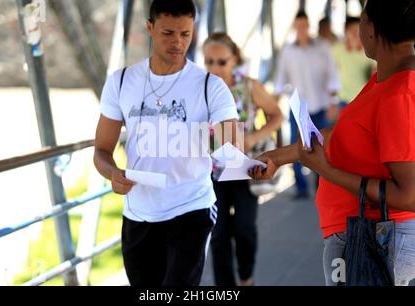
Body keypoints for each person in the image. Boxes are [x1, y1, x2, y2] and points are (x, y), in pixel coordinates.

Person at [250, 0, 415, 286]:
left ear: (372, 30)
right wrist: (280, 156)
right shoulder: (386, 81)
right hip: (361, 233)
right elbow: (344, 134)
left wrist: (325, 170)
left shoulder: (399, 94)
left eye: (361, 21)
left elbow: (409, 195)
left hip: (370, 238)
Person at [94, 0, 238, 286]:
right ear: (150, 28)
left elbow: (230, 146)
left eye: (185, 34)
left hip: (191, 208)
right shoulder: (121, 81)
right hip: (137, 213)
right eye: (168, 33)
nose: (177, 42)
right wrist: (112, 173)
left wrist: (232, 146)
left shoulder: (211, 85)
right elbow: (101, 150)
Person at [203, 33, 284, 286]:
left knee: (244, 230)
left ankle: (246, 277)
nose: (214, 67)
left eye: (221, 61)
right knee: (218, 235)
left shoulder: (249, 86)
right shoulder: (200, 87)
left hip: (245, 170)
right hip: (212, 172)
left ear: (235, 59)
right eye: (209, 61)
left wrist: (254, 137)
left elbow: (276, 115)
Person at [274, 11, 341, 199]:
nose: (302, 30)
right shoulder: (288, 51)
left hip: (320, 104)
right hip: (298, 107)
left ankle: (321, 185)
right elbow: (281, 78)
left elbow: (332, 74)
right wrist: (273, 99)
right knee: (297, 147)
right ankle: (301, 187)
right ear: (295, 27)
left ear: (308, 26)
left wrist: (333, 101)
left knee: (322, 147)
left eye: (304, 25)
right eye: (298, 26)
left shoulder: (322, 47)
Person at [332, 16, 375, 109]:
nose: (355, 34)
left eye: (358, 30)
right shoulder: (337, 49)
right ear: (346, 32)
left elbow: (376, 72)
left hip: (364, 99)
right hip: (343, 100)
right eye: (352, 30)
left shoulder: (370, 50)